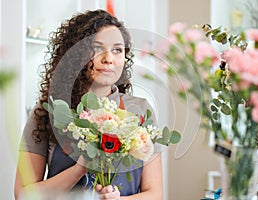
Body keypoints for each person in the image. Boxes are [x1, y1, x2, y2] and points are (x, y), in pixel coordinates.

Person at [14, 9, 163, 200]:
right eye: (97, 48)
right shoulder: (47, 112)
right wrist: (79, 169)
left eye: (117, 49)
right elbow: (23, 195)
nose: (108, 58)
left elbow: (155, 194)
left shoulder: (141, 110)